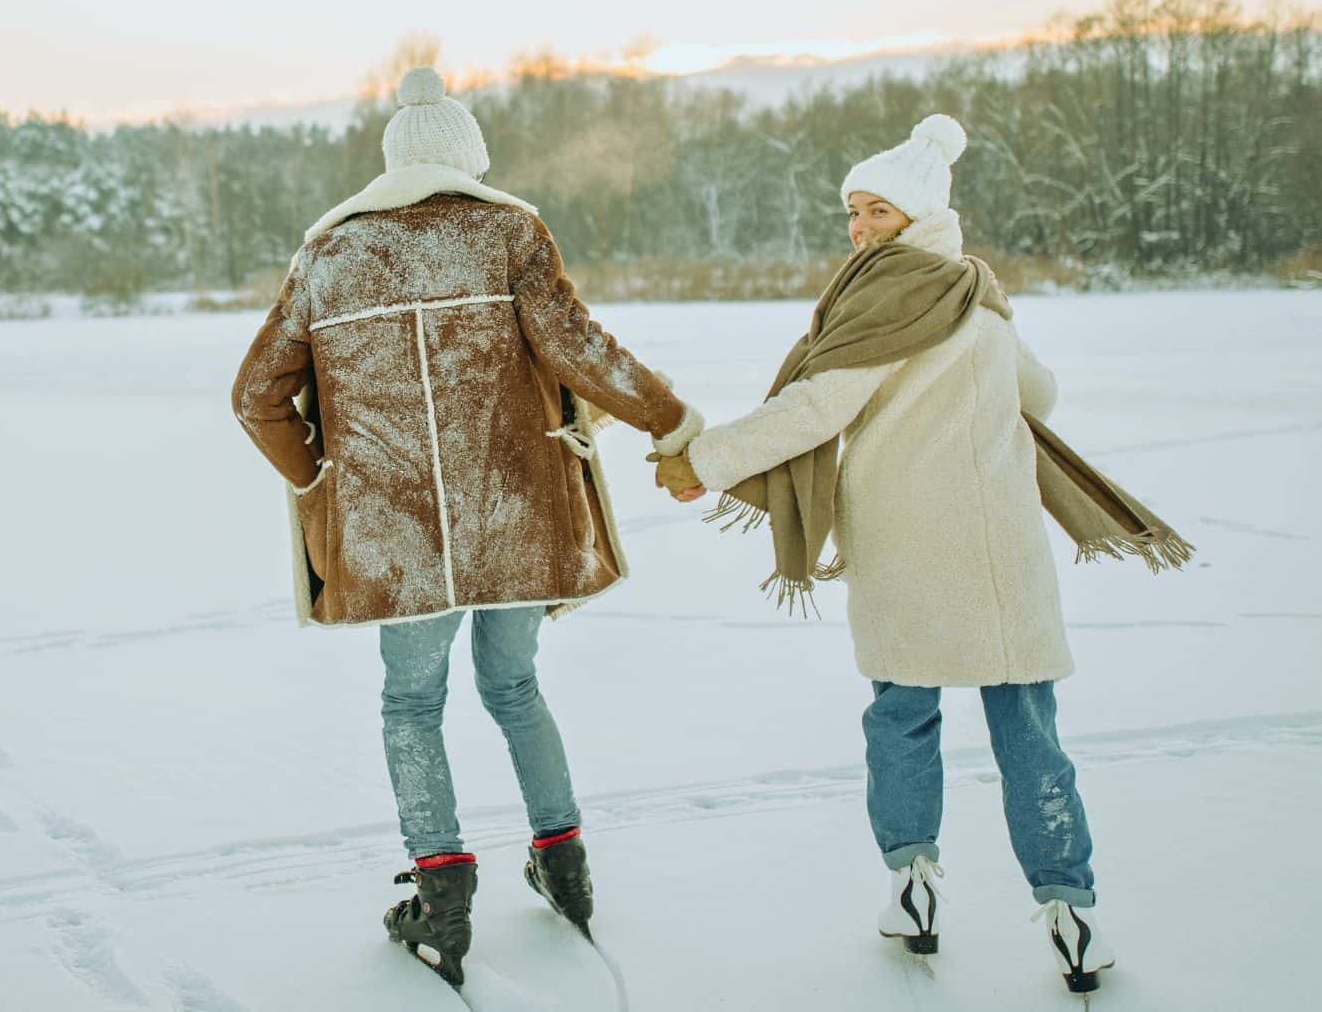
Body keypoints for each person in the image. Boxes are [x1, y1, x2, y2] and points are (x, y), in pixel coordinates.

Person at [652, 114, 1189, 997]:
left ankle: (913, 886)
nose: (858, 229)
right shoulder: (974, 292)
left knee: (903, 718)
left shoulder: (887, 297)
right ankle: (1072, 913)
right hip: (1002, 549)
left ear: (916, 216)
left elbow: (818, 406)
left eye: (875, 212)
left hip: (908, 547)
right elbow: (1041, 395)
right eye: (852, 213)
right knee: (1029, 733)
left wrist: (703, 463)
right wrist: (996, 334)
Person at [231, 66, 700, 987]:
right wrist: (669, 419)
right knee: (515, 685)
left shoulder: (326, 255)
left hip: (393, 534)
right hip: (515, 514)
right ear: (470, 159)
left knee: (412, 703)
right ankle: (565, 864)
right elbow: (579, 349)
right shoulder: (509, 232)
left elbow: (255, 396)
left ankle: (442, 895)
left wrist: (319, 475)